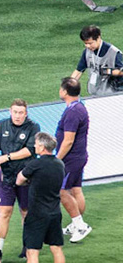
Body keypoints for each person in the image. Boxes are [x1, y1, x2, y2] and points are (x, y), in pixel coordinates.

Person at [13, 132, 69, 263]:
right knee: (57, 250)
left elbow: (19, 180)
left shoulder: (35, 164)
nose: (35, 146)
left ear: (43, 147)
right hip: (55, 213)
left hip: (37, 215)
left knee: (32, 252)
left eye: (37, 144)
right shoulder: (60, 164)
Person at [0, 99, 40, 257]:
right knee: (4, 211)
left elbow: (30, 150)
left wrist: (6, 158)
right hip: (6, 177)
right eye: (15, 112)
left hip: (25, 177)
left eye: (21, 113)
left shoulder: (33, 127)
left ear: (26, 114)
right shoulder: (2, 125)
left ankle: (27, 246)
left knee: (25, 211)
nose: (17, 116)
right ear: (10, 112)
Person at [55, 77, 93, 244]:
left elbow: (68, 140)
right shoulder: (79, 107)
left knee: (62, 191)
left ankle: (80, 225)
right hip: (78, 156)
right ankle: (75, 224)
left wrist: (56, 159)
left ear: (64, 91)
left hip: (70, 159)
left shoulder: (72, 112)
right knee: (75, 190)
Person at [75, 26, 123, 96]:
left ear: (98, 38)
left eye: (90, 43)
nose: (88, 46)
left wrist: (108, 71)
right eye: (85, 43)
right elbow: (79, 71)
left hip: (115, 93)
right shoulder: (87, 52)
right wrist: (68, 85)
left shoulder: (114, 52)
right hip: (97, 93)